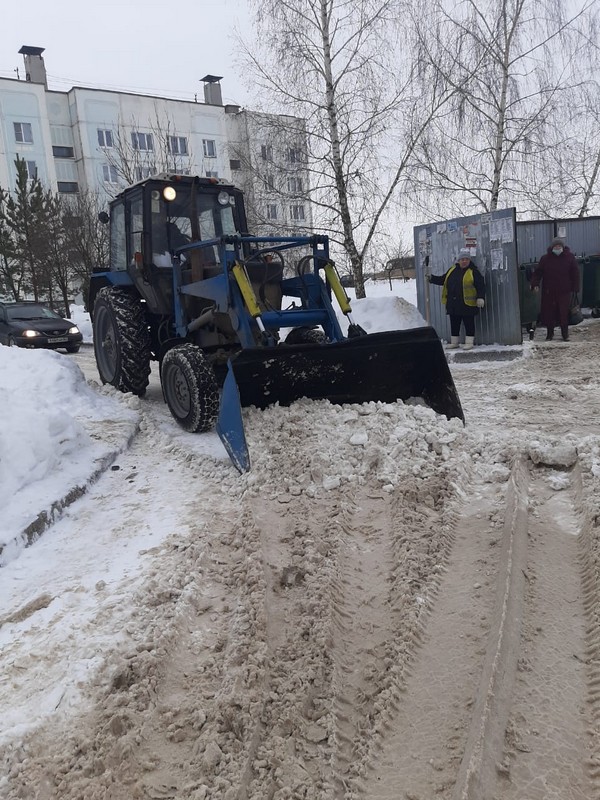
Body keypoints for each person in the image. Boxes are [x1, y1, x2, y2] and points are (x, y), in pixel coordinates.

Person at [428, 248, 485, 350]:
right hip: (453, 303)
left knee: (469, 323)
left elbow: (481, 285)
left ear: (469, 260)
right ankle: (454, 342)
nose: (464, 261)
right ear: (458, 260)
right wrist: (431, 278)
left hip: (467, 303)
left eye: (466, 259)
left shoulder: (473, 272)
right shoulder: (452, 270)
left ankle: (469, 342)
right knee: (454, 323)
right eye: (462, 259)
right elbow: (443, 280)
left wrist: (480, 297)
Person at [530, 236, 580, 341]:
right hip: (549, 291)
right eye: (556, 246)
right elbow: (538, 273)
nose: (558, 248)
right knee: (549, 313)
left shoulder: (569, 257)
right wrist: (535, 284)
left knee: (564, 313)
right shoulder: (545, 259)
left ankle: (565, 334)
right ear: (552, 247)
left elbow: (575, 273)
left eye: (559, 245)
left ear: (563, 246)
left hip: (564, 291)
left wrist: (575, 288)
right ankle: (549, 334)